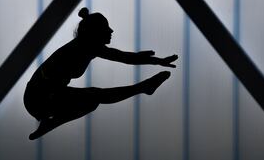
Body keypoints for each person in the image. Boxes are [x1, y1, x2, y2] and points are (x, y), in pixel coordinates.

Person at [24, 7, 178, 140]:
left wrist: (150, 59)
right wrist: (155, 61)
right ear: (94, 32)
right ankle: (143, 88)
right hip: (38, 97)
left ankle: (50, 122)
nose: (111, 31)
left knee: (92, 101)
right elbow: (123, 57)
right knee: (95, 96)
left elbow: (123, 56)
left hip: (42, 97)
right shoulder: (85, 46)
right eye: (106, 28)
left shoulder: (87, 46)